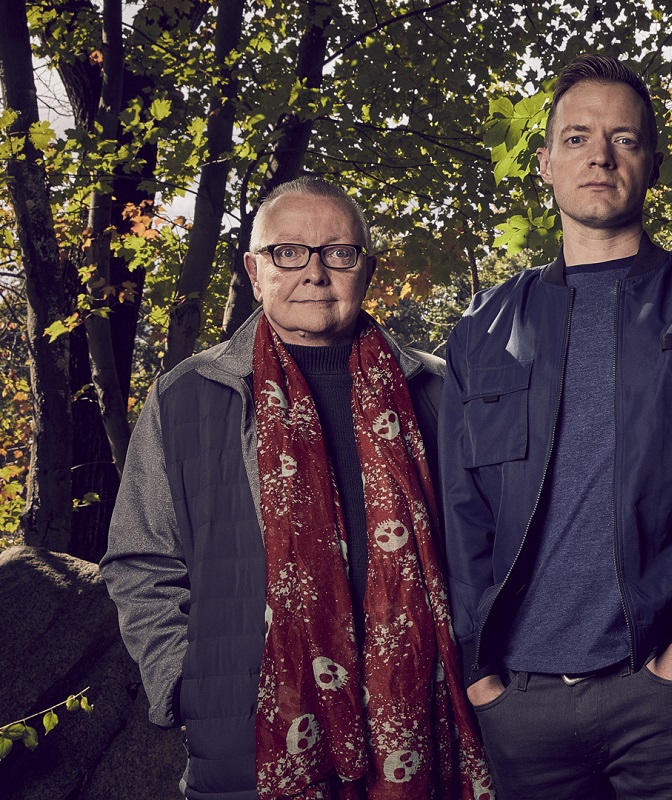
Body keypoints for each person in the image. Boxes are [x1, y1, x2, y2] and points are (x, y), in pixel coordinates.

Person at [439, 54, 672, 799]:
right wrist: (479, 673)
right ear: (545, 165)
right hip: (521, 702)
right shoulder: (485, 330)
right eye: (577, 138)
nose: (599, 154)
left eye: (624, 139)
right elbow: (459, 516)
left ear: (652, 164)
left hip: (663, 692)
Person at [101, 176, 491, 800]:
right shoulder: (189, 396)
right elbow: (139, 559)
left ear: (366, 269)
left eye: (337, 252)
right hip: (249, 745)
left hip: (425, 731)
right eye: (288, 252)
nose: (314, 273)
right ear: (255, 272)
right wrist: (188, 682)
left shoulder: (439, 393)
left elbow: (488, 554)